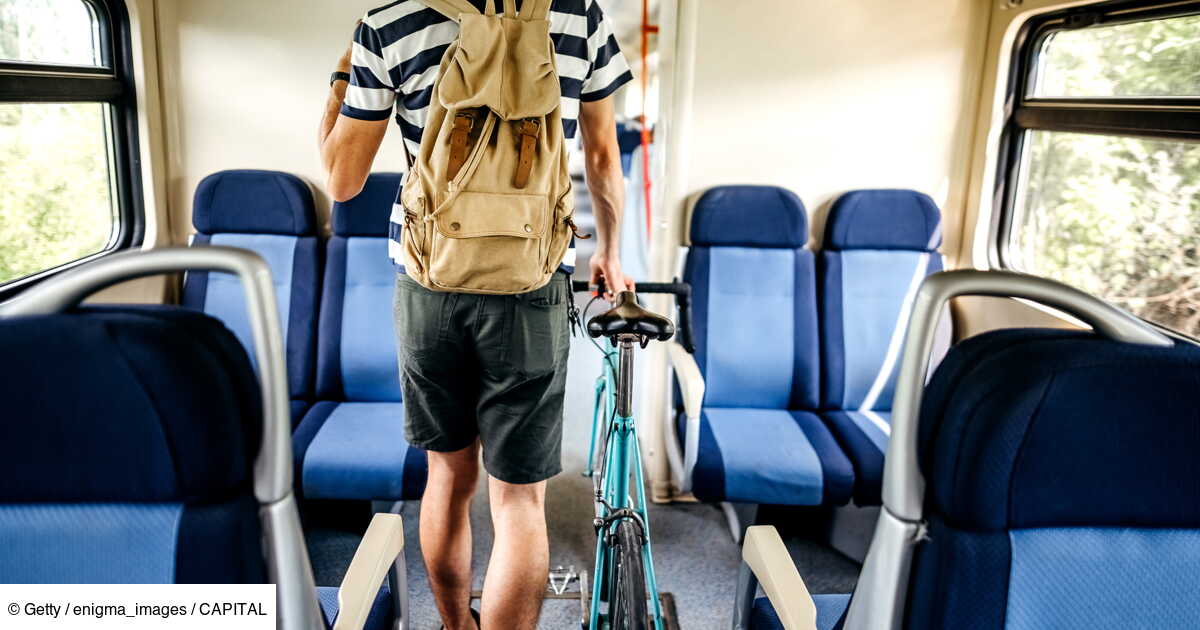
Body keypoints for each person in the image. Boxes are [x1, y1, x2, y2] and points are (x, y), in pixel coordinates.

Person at [317, 2, 634, 628]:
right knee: (519, 500)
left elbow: (341, 180)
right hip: (533, 280)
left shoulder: (391, 21)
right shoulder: (580, 15)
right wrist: (612, 253)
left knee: (448, 478)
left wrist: (337, 89)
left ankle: (456, 625)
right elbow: (601, 155)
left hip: (430, 282)